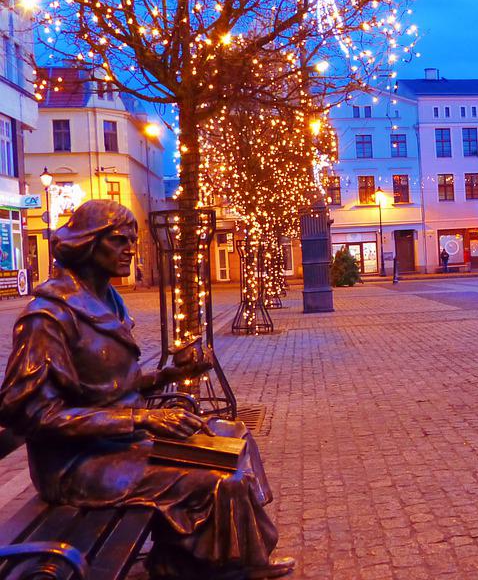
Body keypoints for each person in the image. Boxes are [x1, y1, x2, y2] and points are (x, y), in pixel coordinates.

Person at [0, 201, 293, 580]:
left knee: (230, 434)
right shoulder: (48, 318)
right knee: (216, 478)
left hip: (120, 444)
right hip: (77, 463)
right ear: (86, 243)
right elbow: (34, 414)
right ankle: (214, 565)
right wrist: (142, 416)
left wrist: (171, 373)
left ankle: (199, 560)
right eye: (119, 240)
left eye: (132, 241)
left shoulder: (109, 301)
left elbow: (111, 386)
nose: (130, 250)